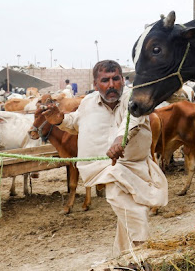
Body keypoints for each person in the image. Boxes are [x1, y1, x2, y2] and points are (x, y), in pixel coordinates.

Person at [41, 60, 168, 255]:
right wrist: (59, 119)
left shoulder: (134, 99)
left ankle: (123, 257)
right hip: (100, 166)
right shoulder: (87, 103)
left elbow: (132, 119)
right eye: (105, 80)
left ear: (122, 80)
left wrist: (120, 139)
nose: (111, 85)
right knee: (126, 203)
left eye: (115, 79)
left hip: (134, 165)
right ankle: (143, 251)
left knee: (131, 209)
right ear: (95, 84)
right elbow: (75, 123)